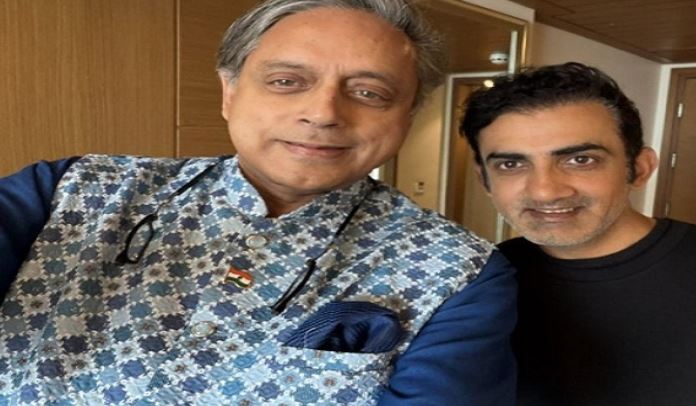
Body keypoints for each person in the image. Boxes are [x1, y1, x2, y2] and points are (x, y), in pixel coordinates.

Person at [0, 0, 517, 404]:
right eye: (286, 82)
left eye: (369, 93)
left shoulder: (459, 272)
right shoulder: (74, 188)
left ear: (406, 116)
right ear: (230, 92)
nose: (323, 113)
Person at [460, 61, 696, 405]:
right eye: (511, 164)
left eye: (580, 160)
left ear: (639, 168)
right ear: (485, 180)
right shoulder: (476, 282)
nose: (545, 191)